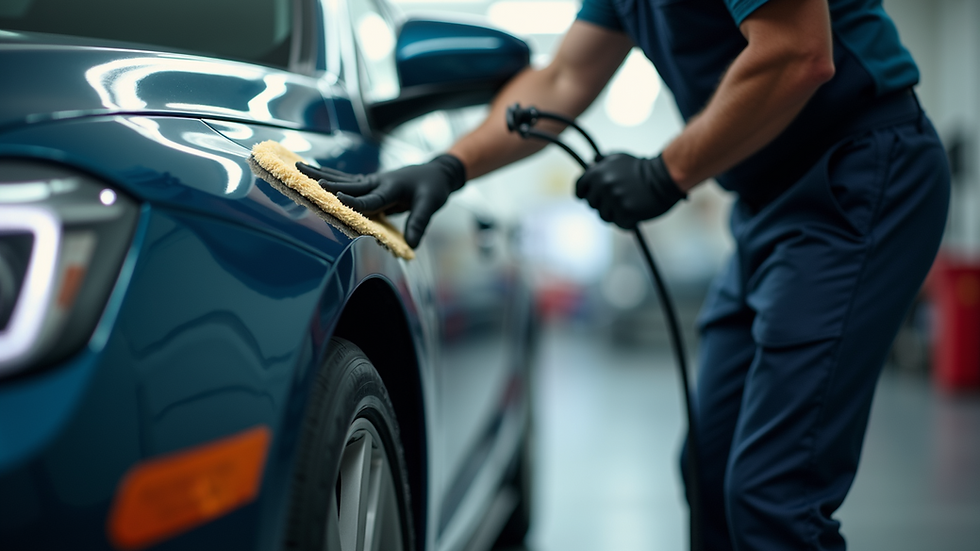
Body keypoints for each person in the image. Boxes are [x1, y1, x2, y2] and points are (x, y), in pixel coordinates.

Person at [298, 0, 950, 548]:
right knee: (710, 465)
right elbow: (561, 79)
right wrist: (449, 164)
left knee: (774, 492)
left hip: (863, 171)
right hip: (769, 202)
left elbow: (798, 52)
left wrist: (664, 172)